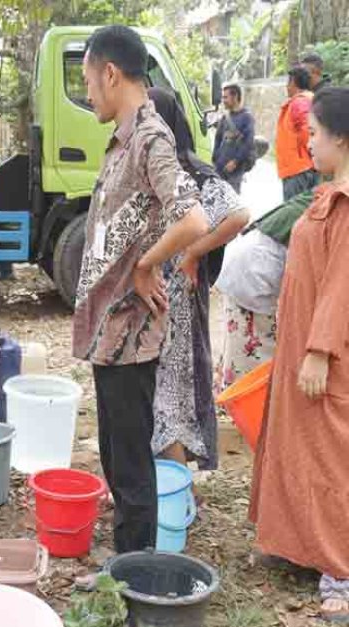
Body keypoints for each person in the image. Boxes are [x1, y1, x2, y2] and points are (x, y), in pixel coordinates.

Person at [73, 26, 208, 554]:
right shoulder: (124, 136)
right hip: (111, 330)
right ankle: (125, 567)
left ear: (110, 74)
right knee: (115, 455)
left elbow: (193, 219)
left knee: (131, 468)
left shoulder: (150, 136)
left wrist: (148, 265)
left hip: (132, 334)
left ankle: (135, 583)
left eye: (88, 80)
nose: (87, 92)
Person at [250, 87, 349, 623]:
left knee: (332, 458)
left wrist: (320, 350)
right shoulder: (325, 195)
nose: (306, 143)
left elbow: (341, 286)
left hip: (325, 352)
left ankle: (341, 567)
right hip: (300, 342)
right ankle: (293, 543)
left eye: (313, 134)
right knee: (293, 443)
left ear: (341, 138)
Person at [147, 88, 250, 471]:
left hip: (177, 307)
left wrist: (193, 253)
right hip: (150, 303)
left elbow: (238, 214)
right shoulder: (152, 169)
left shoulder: (192, 174)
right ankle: (166, 487)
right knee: (158, 401)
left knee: (169, 402)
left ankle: (179, 495)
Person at [276, 66, 318, 201]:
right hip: (300, 168)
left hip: (298, 170)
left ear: (294, 82)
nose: (286, 86)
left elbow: (307, 131)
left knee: (295, 215)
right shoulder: (306, 101)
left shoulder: (300, 102)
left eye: (288, 82)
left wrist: (307, 156)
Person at [213, 84, 255, 193]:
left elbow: (248, 143)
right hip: (220, 168)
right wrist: (215, 158)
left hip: (235, 171)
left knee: (232, 200)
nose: (223, 100)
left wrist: (235, 162)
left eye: (225, 97)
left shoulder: (246, 118)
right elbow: (218, 139)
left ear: (235, 96)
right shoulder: (225, 117)